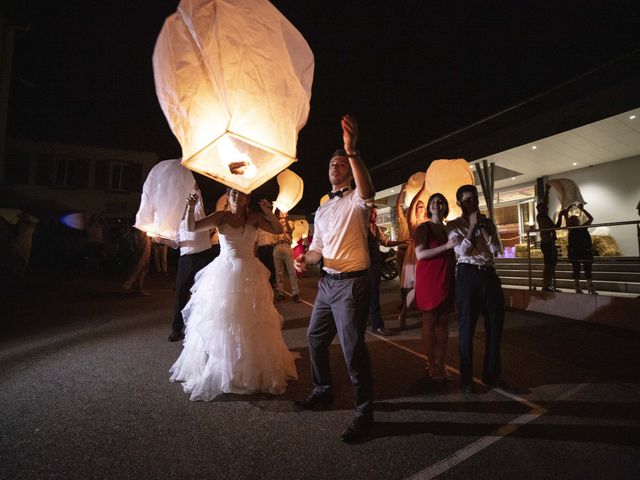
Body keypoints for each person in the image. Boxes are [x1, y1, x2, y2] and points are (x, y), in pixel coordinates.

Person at [169, 188, 298, 401]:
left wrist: (268, 211)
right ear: (228, 197)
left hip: (251, 273)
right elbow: (191, 228)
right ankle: (224, 367)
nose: (237, 197)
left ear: (247, 199)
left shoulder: (255, 218)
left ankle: (248, 366)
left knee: (251, 321)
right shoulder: (221, 217)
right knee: (224, 320)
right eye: (233, 194)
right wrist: (191, 208)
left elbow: (277, 229)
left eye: (241, 194)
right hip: (224, 272)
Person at [294, 114, 375, 443]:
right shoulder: (323, 207)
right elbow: (317, 248)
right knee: (315, 339)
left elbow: (367, 188)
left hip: (353, 283)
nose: (335, 167)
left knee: (352, 348)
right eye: (332, 164)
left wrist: (351, 151)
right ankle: (323, 390)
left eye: (340, 163)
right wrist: (305, 260)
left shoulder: (357, 199)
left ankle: (364, 411)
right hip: (328, 283)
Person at [447, 185, 509, 393]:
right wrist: (472, 227)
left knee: (495, 326)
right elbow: (461, 252)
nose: (472, 203)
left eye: (474, 199)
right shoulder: (453, 225)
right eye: (466, 200)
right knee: (467, 329)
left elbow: (496, 250)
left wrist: (483, 228)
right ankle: (466, 379)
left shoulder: (489, 223)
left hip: (489, 274)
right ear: (459, 203)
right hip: (467, 275)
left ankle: (492, 374)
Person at [157, 186, 219, 342]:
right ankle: (177, 329)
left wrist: (185, 177)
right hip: (187, 259)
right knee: (181, 294)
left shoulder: (197, 209)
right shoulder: (175, 221)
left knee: (206, 292)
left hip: (205, 256)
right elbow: (176, 244)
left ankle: (207, 328)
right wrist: (160, 239)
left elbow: (195, 187)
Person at [414, 193, 459, 381]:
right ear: (429, 207)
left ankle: (441, 364)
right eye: (433, 201)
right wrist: (447, 246)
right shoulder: (424, 228)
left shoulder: (450, 228)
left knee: (444, 323)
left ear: (445, 206)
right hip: (429, 278)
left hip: (446, 276)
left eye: (440, 201)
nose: (436, 204)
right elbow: (420, 254)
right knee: (430, 321)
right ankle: (430, 363)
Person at [368, 206, 405, 336]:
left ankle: (372, 322)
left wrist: (401, 241)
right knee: (371, 295)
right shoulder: (360, 228)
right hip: (365, 266)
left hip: (376, 266)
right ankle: (377, 325)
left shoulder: (376, 228)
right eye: (372, 213)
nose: (374, 215)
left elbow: (386, 242)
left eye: (375, 213)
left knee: (373, 294)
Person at [397, 180, 427, 329]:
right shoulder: (412, 222)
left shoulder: (428, 221)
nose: (421, 208)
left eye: (423, 206)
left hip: (425, 256)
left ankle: (424, 315)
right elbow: (414, 202)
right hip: (414, 255)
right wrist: (422, 189)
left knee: (424, 288)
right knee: (414, 289)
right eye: (419, 206)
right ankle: (403, 314)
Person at [561, 204, 596, 294]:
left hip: (584, 250)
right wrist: (568, 209)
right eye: (573, 219)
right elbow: (566, 218)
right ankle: (578, 288)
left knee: (587, 269)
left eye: (576, 219)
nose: (575, 220)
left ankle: (589, 287)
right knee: (577, 269)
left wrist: (582, 210)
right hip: (577, 251)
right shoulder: (572, 229)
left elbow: (591, 218)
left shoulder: (582, 227)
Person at [536, 184, 562, 291]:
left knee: (551, 265)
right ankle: (546, 285)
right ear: (541, 209)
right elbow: (556, 227)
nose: (547, 208)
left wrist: (561, 216)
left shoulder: (545, 216)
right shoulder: (541, 216)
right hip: (547, 243)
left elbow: (556, 227)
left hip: (549, 242)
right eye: (545, 208)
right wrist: (547, 191)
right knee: (548, 265)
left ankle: (548, 284)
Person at [273, 211, 301, 302]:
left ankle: (295, 293)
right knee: (279, 272)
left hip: (287, 246)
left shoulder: (290, 223)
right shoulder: (275, 223)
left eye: (284, 211)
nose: (282, 213)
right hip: (276, 246)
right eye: (280, 211)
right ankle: (281, 292)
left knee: (291, 271)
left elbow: (289, 231)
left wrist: (286, 219)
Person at [121, 226, 151, 295]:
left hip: (141, 248)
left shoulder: (138, 229)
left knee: (141, 267)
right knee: (140, 266)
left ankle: (138, 287)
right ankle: (133, 284)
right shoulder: (140, 228)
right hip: (142, 249)